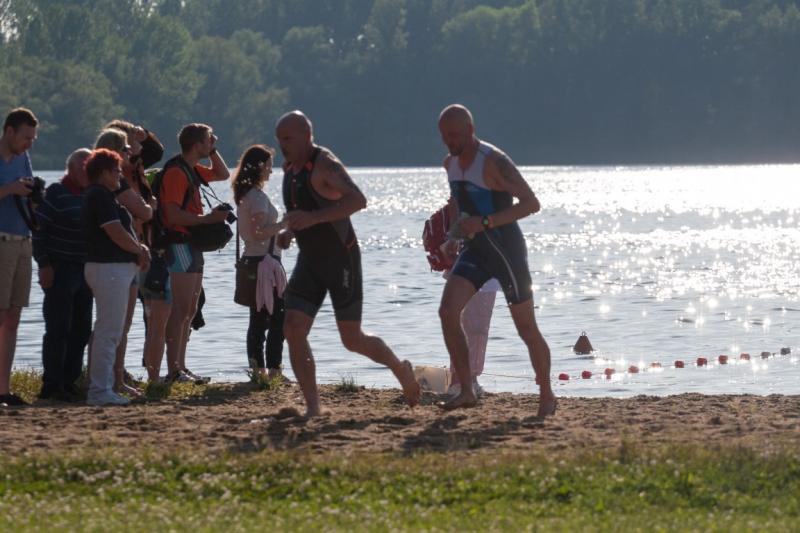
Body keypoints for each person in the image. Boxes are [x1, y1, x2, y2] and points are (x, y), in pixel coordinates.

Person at [275, 110, 420, 417]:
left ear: (306, 135)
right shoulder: (290, 170)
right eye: (279, 139)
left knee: (352, 339)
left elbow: (358, 200)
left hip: (341, 260)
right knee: (293, 328)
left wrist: (312, 218)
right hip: (309, 261)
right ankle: (313, 406)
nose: (282, 145)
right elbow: (302, 212)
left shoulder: (325, 165)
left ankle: (400, 368)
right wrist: (289, 231)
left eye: (287, 138)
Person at [436, 104, 556, 417]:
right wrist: (453, 236)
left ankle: (547, 394)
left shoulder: (493, 161)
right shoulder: (450, 164)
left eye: (455, 135)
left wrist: (486, 222)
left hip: (507, 251)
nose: (449, 141)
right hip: (475, 250)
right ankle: (466, 389)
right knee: (448, 312)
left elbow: (531, 203)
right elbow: (461, 206)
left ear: (470, 130)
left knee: (526, 328)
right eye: (444, 135)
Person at [157, 123, 230, 383]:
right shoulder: (176, 173)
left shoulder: (192, 169)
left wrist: (213, 149)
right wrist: (208, 219)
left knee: (190, 308)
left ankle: (181, 366)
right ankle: (173, 370)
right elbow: (172, 214)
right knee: (180, 308)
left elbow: (222, 174)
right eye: (209, 140)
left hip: (192, 244)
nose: (212, 142)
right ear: (196, 145)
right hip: (179, 244)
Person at [82, 149, 150, 406]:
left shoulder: (105, 196)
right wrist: (139, 249)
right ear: (104, 173)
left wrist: (137, 251)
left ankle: (106, 386)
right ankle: (99, 390)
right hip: (107, 268)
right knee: (108, 331)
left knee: (111, 330)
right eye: (116, 171)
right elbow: (115, 231)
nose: (120, 176)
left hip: (114, 268)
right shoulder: (99, 195)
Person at [95, 128, 154, 396]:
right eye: (126, 149)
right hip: (115, 260)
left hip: (121, 259)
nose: (130, 153)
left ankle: (116, 379)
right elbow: (145, 210)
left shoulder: (110, 182)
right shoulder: (112, 184)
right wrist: (147, 204)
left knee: (118, 324)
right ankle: (108, 381)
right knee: (115, 324)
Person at [32, 148, 93, 402]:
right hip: (60, 268)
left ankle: (69, 382)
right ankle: (52, 385)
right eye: (84, 167)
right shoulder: (56, 193)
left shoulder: (91, 194)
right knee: (58, 328)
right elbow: (38, 231)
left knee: (81, 329)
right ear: (72, 168)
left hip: (85, 269)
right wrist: (44, 264)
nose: (87, 172)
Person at [232, 145, 288, 378]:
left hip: (256, 261)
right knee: (276, 318)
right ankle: (272, 370)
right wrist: (284, 224)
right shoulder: (256, 198)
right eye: (269, 166)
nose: (271, 171)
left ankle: (259, 370)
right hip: (264, 264)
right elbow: (258, 233)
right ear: (259, 167)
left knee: (259, 319)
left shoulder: (247, 195)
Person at [0, 107, 38, 406]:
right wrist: (9, 189)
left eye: (33, 139)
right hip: (2, 241)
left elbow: (27, 189)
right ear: (9, 131)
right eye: (26, 137)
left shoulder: (23, 158)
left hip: (23, 240)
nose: (29, 144)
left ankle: (4, 388)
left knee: (13, 317)